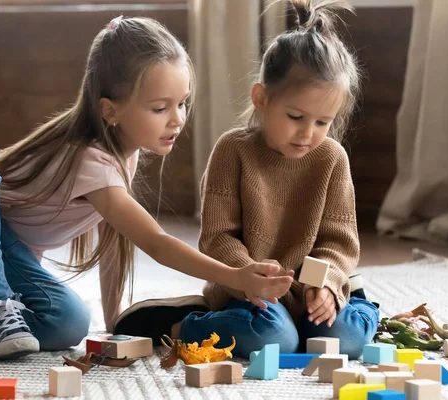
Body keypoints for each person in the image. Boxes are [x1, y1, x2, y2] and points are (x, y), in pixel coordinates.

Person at [0, 16, 294, 361]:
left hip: (7, 259)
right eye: (160, 108)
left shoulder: (123, 153)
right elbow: (157, 242)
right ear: (110, 111)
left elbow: (114, 238)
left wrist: (112, 322)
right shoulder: (91, 159)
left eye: (182, 103)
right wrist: (234, 276)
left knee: (69, 322)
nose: (178, 119)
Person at [113, 0, 379, 359]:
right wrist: (247, 274)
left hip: (312, 292)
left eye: (322, 122)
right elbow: (217, 237)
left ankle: (355, 297)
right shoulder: (232, 151)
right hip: (250, 293)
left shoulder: (332, 158)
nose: (307, 133)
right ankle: (181, 323)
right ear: (261, 98)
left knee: (347, 340)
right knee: (276, 340)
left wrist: (329, 284)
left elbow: (340, 242)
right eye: (296, 116)